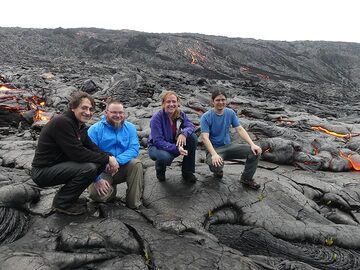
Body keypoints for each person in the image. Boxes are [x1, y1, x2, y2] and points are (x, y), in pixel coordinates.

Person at [31, 91, 119, 215]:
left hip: (58, 166)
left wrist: (110, 156)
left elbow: (91, 147)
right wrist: (107, 159)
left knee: (97, 163)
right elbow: (78, 154)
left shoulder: (79, 126)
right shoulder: (62, 122)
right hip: (43, 171)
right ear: (73, 108)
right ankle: (61, 204)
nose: (88, 112)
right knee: (89, 168)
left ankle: (69, 198)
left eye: (90, 109)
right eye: (84, 108)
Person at [200, 89, 262, 190]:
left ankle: (247, 178)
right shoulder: (206, 117)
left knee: (255, 152)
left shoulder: (230, 113)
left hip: (229, 146)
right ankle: (218, 171)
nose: (221, 102)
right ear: (212, 102)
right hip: (215, 150)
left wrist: (252, 144)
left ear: (226, 101)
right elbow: (205, 138)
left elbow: (240, 129)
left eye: (223, 100)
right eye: (218, 100)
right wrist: (214, 155)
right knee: (216, 164)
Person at [87, 99, 143, 209]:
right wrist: (97, 179)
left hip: (122, 167)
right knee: (97, 196)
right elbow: (89, 155)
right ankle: (111, 192)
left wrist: (116, 161)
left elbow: (134, 148)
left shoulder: (130, 128)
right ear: (106, 112)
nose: (118, 115)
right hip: (102, 170)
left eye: (121, 112)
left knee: (136, 164)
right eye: (114, 112)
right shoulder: (95, 130)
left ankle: (133, 203)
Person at [148, 90, 198, 183]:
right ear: (163, 103)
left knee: (193, 138)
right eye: (168, 102)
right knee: (165, 157)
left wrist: (184, 134)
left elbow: (190, 126)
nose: (171, 104)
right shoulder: (156, 118)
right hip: (156, 146)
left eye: (174, 102)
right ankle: (160, 170)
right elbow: (158, 141)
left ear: (178, 103)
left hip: (172, 142)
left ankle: (188, 172)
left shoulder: (180, 114)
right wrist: (177, 149)